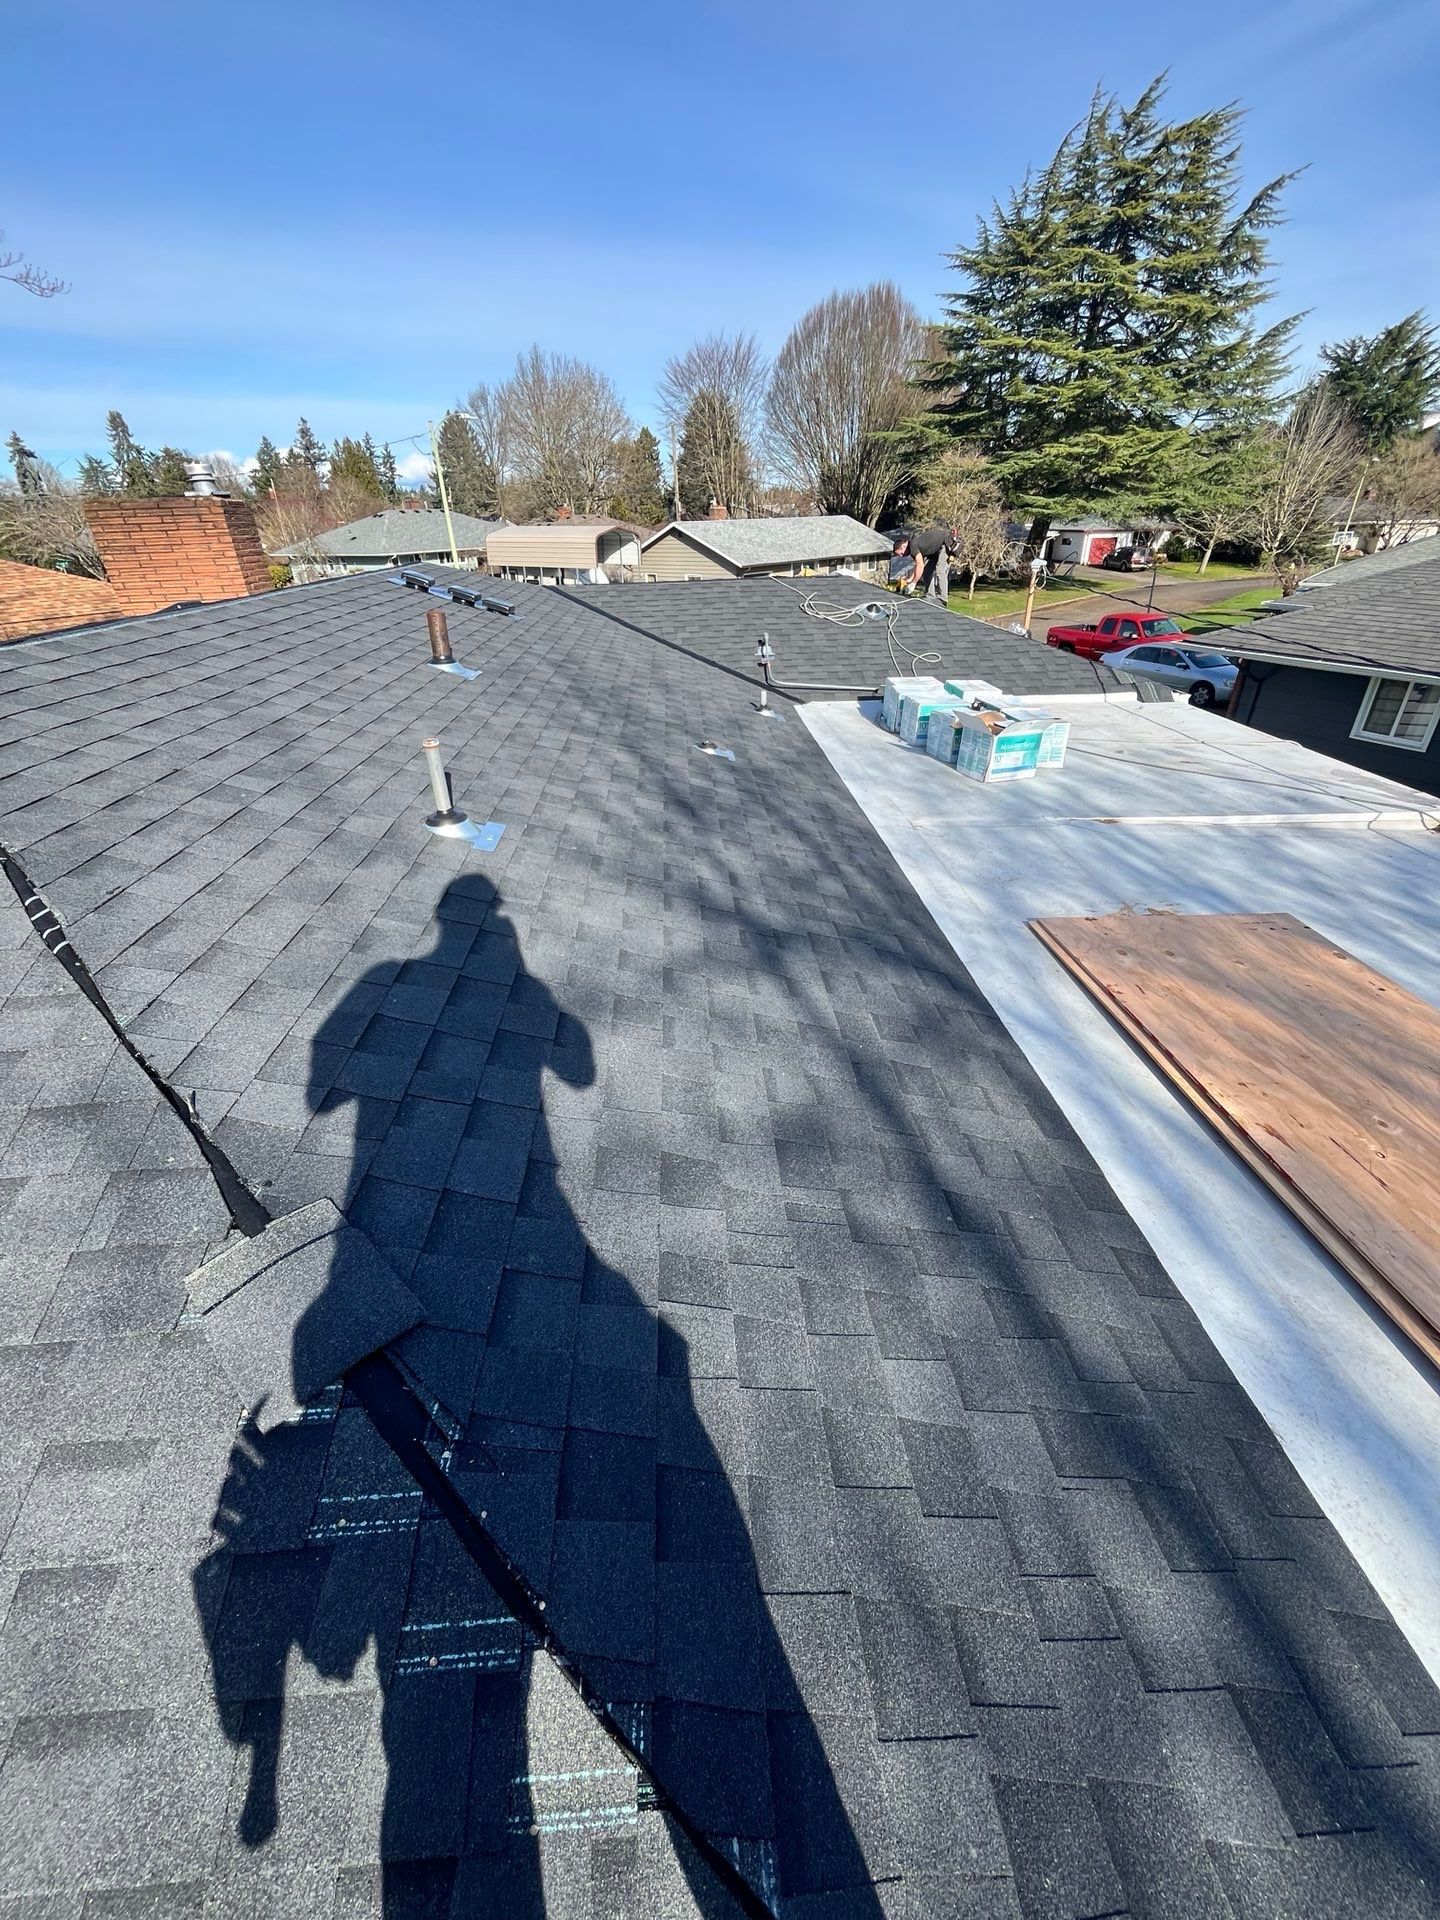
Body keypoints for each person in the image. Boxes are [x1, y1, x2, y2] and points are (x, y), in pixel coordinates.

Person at [910, 522, 955, 602]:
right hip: (934, 550)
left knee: (940, 571)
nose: (901, 555)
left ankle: (943, 599)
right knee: (927, 571)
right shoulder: (915, 546)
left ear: (902, 547)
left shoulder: (913, 546)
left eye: (899, 553)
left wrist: (914, 583)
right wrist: (909, 580)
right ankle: (930, 595)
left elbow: (920, 566)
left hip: (945, 544)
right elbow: (918, 566)